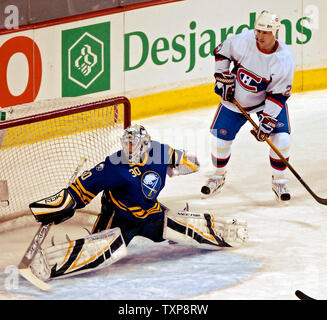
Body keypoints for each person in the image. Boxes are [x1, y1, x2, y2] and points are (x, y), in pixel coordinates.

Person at [28, 124, 248, 281]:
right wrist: (63, 206)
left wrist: (178, 166)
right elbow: (81, 188)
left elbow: (191, 163)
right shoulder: (114, 164)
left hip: (151, 213)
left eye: (133, 145)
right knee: (102, 249)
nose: (129, 149)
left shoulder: (160, 151)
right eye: (127, 144)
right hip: (120, 218)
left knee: (177, 226)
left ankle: (224, 232)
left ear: (146, 144)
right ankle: (50, 262)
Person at [201, 10, 295, 201]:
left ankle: (279, 181)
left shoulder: (283, 58)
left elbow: (278, 94)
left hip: (265, 103)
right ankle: (218, 176)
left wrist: (267, 121)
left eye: (265, 32)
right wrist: (222, 77)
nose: (260, 36)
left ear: (275, 32)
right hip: (236, 98)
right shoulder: (244, 40)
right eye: (258, 31)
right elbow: (221, 51)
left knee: (282, 139)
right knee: (219, 141)